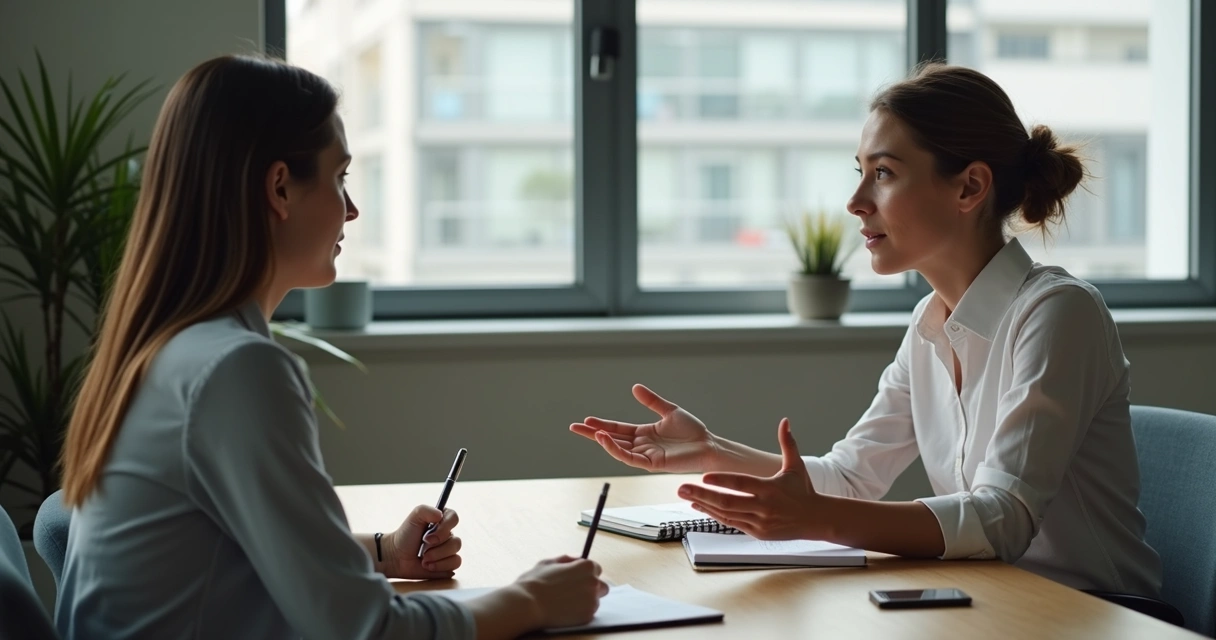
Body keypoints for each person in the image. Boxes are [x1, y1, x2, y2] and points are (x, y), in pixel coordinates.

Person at [56, 54, 606, 640]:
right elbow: (365, 630)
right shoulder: (235, 370)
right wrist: (529, 601)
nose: (352, 209)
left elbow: (226, 545)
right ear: (279, 188)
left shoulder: (167, 348)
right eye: (340, 177)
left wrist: (381, 552)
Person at [571, 62, 1162, 598]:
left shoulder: (1059, 313)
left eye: (883, 174)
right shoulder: (930, 324)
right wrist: (710, 451)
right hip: (995, 600)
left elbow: (999, 520)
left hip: (1098, 615)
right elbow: (850, 480)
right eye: (860, 173)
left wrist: (813, 519)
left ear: (969, 187)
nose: (855, 201)